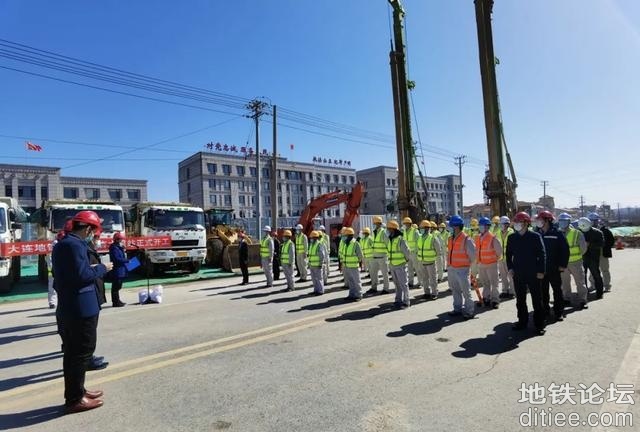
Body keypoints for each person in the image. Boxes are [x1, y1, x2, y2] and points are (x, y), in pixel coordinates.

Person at [52, 210, 113, 413]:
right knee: (81, 353)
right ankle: (75, 399)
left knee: (73, 353)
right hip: (80, 308)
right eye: (93, 231)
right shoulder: (74, 244)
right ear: (88, 228)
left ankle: (78, 391)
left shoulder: (65, 243)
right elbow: (82, 275)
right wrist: (101, 268)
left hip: (72, 306)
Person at [506, 212, 547, 335]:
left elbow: (542, 254)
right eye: (516, 222)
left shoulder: (535, 236)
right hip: (518, 273)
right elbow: (508, 255)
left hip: (533, 273)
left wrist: (541, 271)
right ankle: (522, 322)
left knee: (537, 299)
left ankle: (539, 324)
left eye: (520, 222)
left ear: (526, 223)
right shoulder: (512, 238)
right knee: (520, 299)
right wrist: (510, 268)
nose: (517, 224)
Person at [535, 211, 569, 321]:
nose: (538, 222)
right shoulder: (537, 234)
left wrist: (562, 265)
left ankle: (558, 312)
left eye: (540, 220)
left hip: (554, 268)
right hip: (541, 269)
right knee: (543, 292)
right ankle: (545, 311)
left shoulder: (557, 233)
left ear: (547, 220)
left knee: (557, 291)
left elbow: (565, 250)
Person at [446, 216, 477, 319]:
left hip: (462, 269)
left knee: (466, 291)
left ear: (457, 227)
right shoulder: (451, 238)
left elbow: (473, 256)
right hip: (452, 269)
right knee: (455, 290)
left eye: (452, 226)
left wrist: (468, 267)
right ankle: (457, 309)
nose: (450, 228)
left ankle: (469, 311)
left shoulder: (466, 239)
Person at [557, 213, 588, 309]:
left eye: (564, 221)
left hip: (576, 262)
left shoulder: (577, 233)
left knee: (580, 282)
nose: (562, 223)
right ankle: (566, 298)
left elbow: (583, 248)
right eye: (561, 221)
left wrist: (577, 256)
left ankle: (583, 300)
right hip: (563, 263)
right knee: (565, 282)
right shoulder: (557, 233)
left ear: (569, 221)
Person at [476, 217, 503, 309]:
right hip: (481, 264)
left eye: (481, 225)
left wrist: (495, 259)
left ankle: (495, 300)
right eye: (479, 225)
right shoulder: (478, 237)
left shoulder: (493, 237)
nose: (480, 227)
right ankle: (486, 298)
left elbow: (499, 251)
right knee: (485, 283)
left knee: (494, 283)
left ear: (487, 226)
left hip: (491, 264)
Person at [386, 220, 412, 308]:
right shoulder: (390, 239)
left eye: (389, 228)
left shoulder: (400, 239)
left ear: (393, 229)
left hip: (400, 265)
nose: (388, 230)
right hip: (392, 264)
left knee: (403, 284)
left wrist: (406, 260)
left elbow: (407, 252)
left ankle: (406, 302)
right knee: (397, 284)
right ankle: (398, 300)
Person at [578, 217, 604, 299]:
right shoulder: (578, 232)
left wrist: (590, 244)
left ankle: (599, 293)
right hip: (582, 257)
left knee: (596, 275)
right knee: (582, 276)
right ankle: (584, 294)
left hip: (593, 257)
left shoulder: (597, 232)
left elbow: (602, 244)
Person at [588, 213, 614, 292]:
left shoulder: (605, 230)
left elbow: (611, 241)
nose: (593, 222)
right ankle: (593, 285)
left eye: (594, 220)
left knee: (605, 270)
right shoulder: (588, 231)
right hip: (592, 253)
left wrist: (605, 247)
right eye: (591, 221)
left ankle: (607, 286)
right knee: (593, 271)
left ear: (597, 221)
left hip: (603, 253)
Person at [416, 220, 441, 300]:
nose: (421, 229)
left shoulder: (433, 238)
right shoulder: (420, 238)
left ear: (427, 228)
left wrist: (433, 257)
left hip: (430, 262)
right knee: (425, 279)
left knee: (433, 279)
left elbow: (438, 250)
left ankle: (434, 293)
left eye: (422, 228)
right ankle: (426, 293)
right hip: (422, 262)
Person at [367, 216, 390, 294]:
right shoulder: (374, 232)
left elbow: (388, 244)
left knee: (384, 274)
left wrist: (389, 255)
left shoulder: (383, 232)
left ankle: (386, 289)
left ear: (379, 223)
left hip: (383, 256)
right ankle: (374, 287)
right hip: (375, 256)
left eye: (376, 223)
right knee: (373, 273)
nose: (375, 224)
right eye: (374, 223)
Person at [342, 227, 363, 301]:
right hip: (347, 266)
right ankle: (352, 295)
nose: (344, 237)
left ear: (350, 235)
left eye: (345, 235)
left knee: (356, 281)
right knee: (350, 282)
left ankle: (359, 295)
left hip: (353, 266)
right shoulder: (345, 244)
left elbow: (360, 255)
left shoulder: (355, 243)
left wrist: (357, 262)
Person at [496, 216, 515, 299]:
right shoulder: (498, 233)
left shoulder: (512, 232)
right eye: (500, 224)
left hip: (509, 259)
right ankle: (505, 291)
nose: (500, 225)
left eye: (502, 224)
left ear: (507, 224)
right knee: (503, 276)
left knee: (511, 276)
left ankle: (512, 292)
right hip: (500, 258)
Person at [108, 232, 128, 308]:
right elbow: (117, 259)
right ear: (117, 240)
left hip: (121, 270)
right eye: (120, 239)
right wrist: (126, 260)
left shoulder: (119, 248)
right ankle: (115, 302)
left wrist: (122, 249)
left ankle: (117, 300)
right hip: (117, 270)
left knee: (118, 286)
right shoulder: (114, 248)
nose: (121, 241)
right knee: (116, 287)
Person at [401, 217, 419, 288]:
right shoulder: (404, 231)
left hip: (414, 252)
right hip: (408, 253)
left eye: (406, 223)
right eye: (404, 223)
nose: (405, 225)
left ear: (409, 223)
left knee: (417, 269)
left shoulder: (415, 231)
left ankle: (420, 282)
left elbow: (418, 242)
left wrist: (417, 252)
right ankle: (411, 282)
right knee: (409, 268)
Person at [308, 230, 327, 295]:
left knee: (319, 279)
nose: (311, 239)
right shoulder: (311, 245)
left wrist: (320, 263)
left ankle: (320, 291)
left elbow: (322, 255)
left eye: (312, 238)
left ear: (315, 238)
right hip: (312, 264)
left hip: (317, 265)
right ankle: (316, 290)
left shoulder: (319, 244)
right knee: (314, 279)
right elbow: (310, 255)